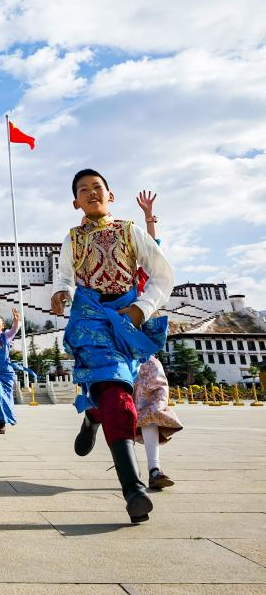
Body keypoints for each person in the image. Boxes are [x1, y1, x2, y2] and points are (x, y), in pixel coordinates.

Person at [51, 170, 174, 524]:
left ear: (110, 195)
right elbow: (65, 275)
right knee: (116, 394)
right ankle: (133, 489)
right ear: (75, 202)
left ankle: (93, 416)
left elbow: (162, 274)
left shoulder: (129, 231)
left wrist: (142, 308)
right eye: (83, 190)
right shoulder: (73, 238)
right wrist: (61, 292)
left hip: (125, 317)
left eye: (97, 188)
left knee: (114, 392)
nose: (92, 193)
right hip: (90, 318)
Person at [133, 190, 182, 488]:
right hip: (111, 351)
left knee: (152, 401)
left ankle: (154, 470)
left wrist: (149, 219)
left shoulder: (142, 281)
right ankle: (91, 422)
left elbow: (154, 253)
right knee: (112, 406)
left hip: (142, 354)